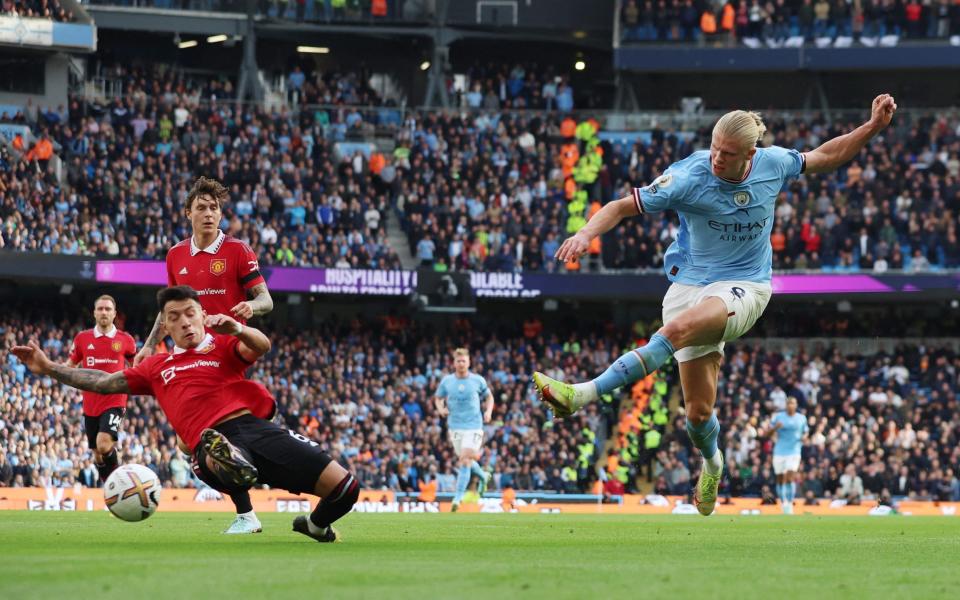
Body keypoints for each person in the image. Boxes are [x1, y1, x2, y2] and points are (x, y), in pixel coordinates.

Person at [533, 93, 897, 516]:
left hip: (746, 285)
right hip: (689, 285)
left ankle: (581, 394)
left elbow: (825, 155)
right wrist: (584, 234)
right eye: (713, 147)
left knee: (674, 332)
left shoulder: (773, 164)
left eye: (726, 153)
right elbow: (619, 207)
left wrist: (871, 128)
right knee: (698, 415)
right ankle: (713, 462)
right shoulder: (687, 176)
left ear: (750, 154)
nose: (716, 158)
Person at [13, 286, 357, 543]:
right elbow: (103, 382)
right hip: (209, 442)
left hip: (256, 428)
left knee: (346, 488)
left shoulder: (222, 345)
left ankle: (314, 526)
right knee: (206, 447)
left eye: (190, 313)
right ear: (166, 326)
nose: (184, 322)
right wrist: (49, 368)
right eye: (174, 317)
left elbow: (261, 346)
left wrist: (237, 328)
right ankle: (230, 466)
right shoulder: (156, 367)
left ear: (202, 315)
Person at [135, 176, 274, 535]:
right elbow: (168, 309)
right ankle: (247, 489)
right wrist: (150, 344)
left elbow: (266, 299)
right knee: (188, 441)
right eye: (202, 208)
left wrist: (250, 307)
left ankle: (247, 508)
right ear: (189, 213)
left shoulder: (239, 251)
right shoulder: (175, 255)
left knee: (206, 434)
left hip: (226, 354)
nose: (209, 214)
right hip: (187, 354)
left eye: (215, 208)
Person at [66, 294, 137, 484]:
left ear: (114, 314)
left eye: (108, 309)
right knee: (97, 455)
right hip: (90, 403)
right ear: (94, 313)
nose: (104, 312)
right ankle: (109, 484)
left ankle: (120, 483)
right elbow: (69, 366)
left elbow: (137, 365)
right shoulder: (82, 339)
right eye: (100, 309)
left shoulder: (126, 340)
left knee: (104, 443)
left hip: (114, 400)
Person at [434, 347, 494, 511]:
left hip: (474, 425)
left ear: (469, 362)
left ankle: (457, 497)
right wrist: (440, 409)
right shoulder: (447, 381)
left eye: (464, 361)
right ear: (454, 363)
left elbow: (489, 397)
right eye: (458, 361)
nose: (461, 363)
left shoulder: (477, 380)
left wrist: (488, 411)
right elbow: (438, 398)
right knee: (466, 459)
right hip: (455, 426)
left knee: (465, 459)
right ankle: (482, 475)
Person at [764, 396, 808, 514]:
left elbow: (805, 432)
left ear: (796, 405)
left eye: (792, 403)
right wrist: (775, 428)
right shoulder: (778, 417)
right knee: (780, 480)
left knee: (790, 477)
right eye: (788, 403)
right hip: (779, 451)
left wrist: (804, 438)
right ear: (786, 405)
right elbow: (767, 434)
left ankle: (789, 502)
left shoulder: (802, 418)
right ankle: (784, 503)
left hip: (794, 451)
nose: (790, 405)